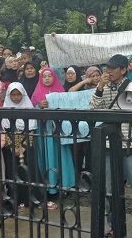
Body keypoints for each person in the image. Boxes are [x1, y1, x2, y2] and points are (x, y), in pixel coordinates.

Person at [89, 54, 132, 238]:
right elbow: (92, 108)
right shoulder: (104, 86)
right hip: (109, 145)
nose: (108, 71)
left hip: (129, 144)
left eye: (113, 68)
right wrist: (99, 87)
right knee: (109, 190)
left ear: (123, 70)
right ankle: (113, 225)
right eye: (107, 68)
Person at [30, 67, 74, 200]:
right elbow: (31, 110)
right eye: (44, 76)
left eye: (50, 76)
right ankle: (50, 187)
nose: (47, 79)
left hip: (59, 129)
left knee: (61, 155)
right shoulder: (37, 93)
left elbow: (67, 107)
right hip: (45, 130)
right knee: (48, 156)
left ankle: (65, 185)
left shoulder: (60, 91)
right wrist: (39, 106)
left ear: (54, 77)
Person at [1, 82, 39, 209]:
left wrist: (23, 147)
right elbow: (5, 129)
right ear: (8, 95)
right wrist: (13, 147)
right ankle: (15, 200)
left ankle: (30, 199)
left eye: (18, 94)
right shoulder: (5, 109)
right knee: (13, 172)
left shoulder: (28, 108)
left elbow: (31, 130)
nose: (16, 97)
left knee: (28, 171)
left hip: (27, 146)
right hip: (10, 148)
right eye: (13, 95)